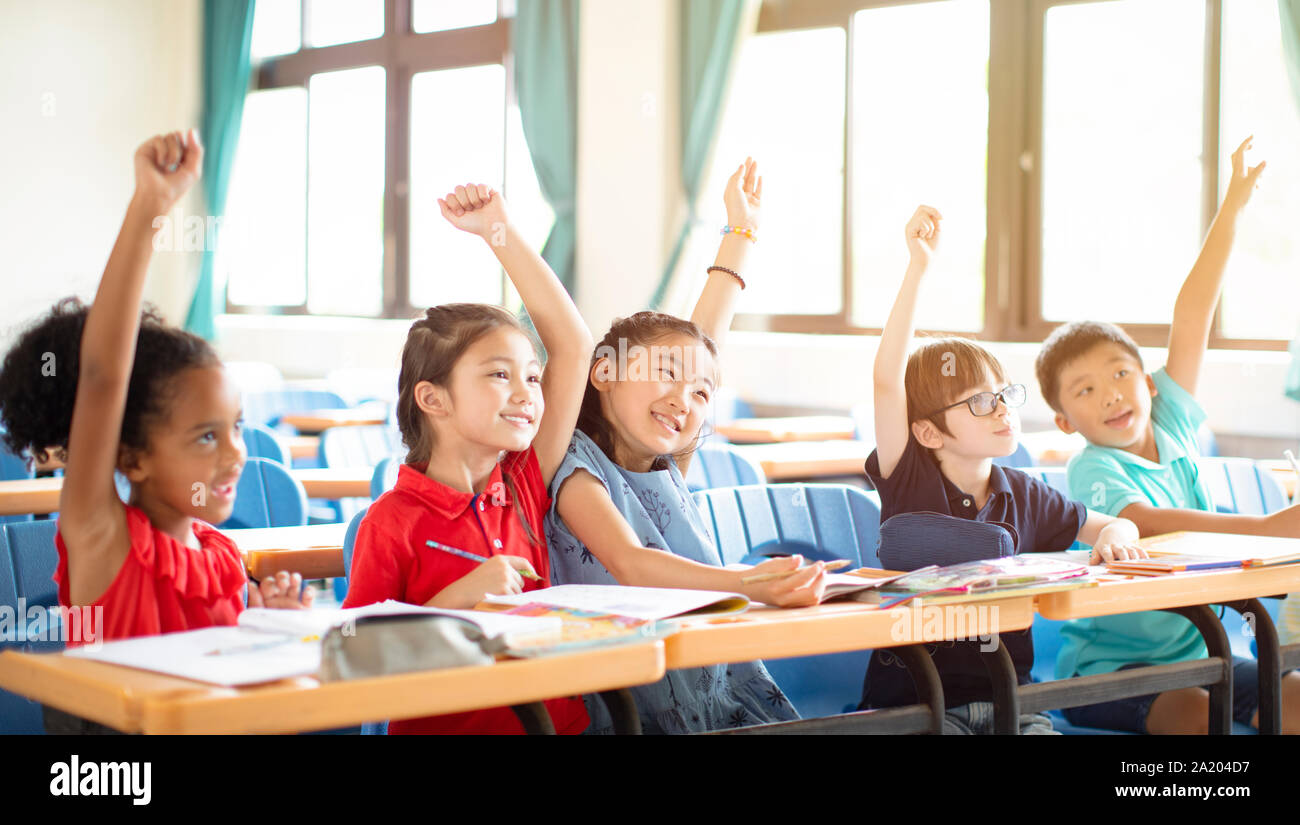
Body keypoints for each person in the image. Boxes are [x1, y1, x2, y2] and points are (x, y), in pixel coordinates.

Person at [0, 129, 312, 658]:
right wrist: (152, 203)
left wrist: (271, 629)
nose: (236, 452)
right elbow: (102, 377)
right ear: (131, 458)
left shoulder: (224, 558)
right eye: (205, 437)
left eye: (234, 427)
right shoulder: (103, 539)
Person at [546, 159, 829, 734]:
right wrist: (749, 582)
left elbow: (706, 344)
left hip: (722, 703)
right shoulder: (572, 466)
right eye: (665, 373)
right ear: (604, 371)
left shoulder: (667, 464)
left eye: (702, 393)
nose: (684, 398)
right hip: (633, 712)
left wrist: (740, 234)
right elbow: (629, 562)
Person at [1035, 136, 1300, 734]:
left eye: (1122, 374)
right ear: (1063, 422)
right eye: (1084, 391)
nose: (1109, 394)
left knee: (1295, 696)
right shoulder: (1091, 468)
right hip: (1110, 674)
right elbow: (1148, 523)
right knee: (1196, 717)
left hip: (1209, 661)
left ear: (1150, 383)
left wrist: (1232, 206)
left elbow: (1193, 312)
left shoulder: (1171, 419)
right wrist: (1266, 531)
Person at [860, 204, 1143, 734]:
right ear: (928, 432)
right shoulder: (909, 477)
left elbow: (1106, 524)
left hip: (1013, 705)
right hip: (915, 711)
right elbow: (885, 381)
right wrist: (918, 268)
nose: (1002, 410)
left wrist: (1116, 537)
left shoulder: (1026, 493)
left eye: (1003, 395)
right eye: (978, 402)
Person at [343, 182, 593, 735]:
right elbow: (355, 656)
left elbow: (572, 347)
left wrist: (498, 230)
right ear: (433, 398)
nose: (527, 393)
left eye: (531, 375)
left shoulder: (525, 483)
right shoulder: (390, 524)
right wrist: (458, 599)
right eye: (500, 375)